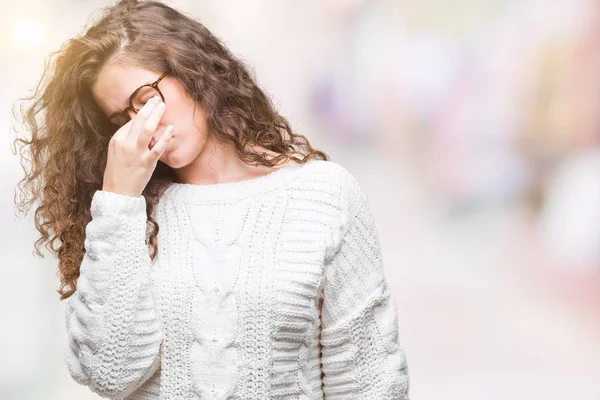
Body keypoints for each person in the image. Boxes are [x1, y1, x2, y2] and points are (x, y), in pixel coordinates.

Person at [12, 0, 410, 398]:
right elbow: (109, 374)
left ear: (192, 70)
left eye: (146, 98)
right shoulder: (122, 215)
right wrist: (118, 199)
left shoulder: (322, 194)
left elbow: (368, 379)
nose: (142, 126)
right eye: (121, 119)